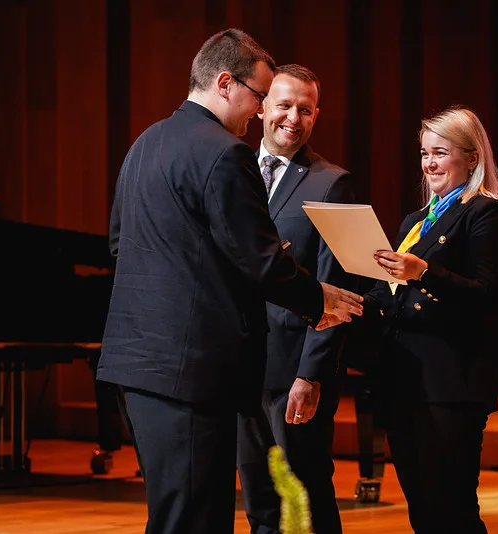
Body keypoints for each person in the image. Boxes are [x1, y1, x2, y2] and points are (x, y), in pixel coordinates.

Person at [96, 29, 363, 534]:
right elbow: (258, 261)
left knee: (173, 515)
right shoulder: (224, 152)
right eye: (259, 95)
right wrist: (317, 298)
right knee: (197, 519)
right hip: (191, 371)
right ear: (224, 83)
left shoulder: (145, 143)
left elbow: (118, 245)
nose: (259, 110)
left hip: (137, 369)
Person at [364, 106, 498, 533]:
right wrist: (348, 302)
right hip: (404, 382)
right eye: (425, 153)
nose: (429, 163)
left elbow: (488, 295)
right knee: (423, 512)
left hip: (450, 387)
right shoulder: (415, 222)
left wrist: (423, 272)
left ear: (471, 157)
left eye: (440, 153)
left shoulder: (485, 212)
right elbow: (390, 296)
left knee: (452, 511)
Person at [236, 64, 355, 534]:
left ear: (316, 116)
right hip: (241, 364)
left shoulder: (331, 183)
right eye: (284, 105)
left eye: (305, 110)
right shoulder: (232, 168)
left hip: (294, 370)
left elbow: (336, 287)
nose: (293, 118)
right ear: (261, 107)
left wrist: (311, 375)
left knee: (305, 495)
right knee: (259, 500)